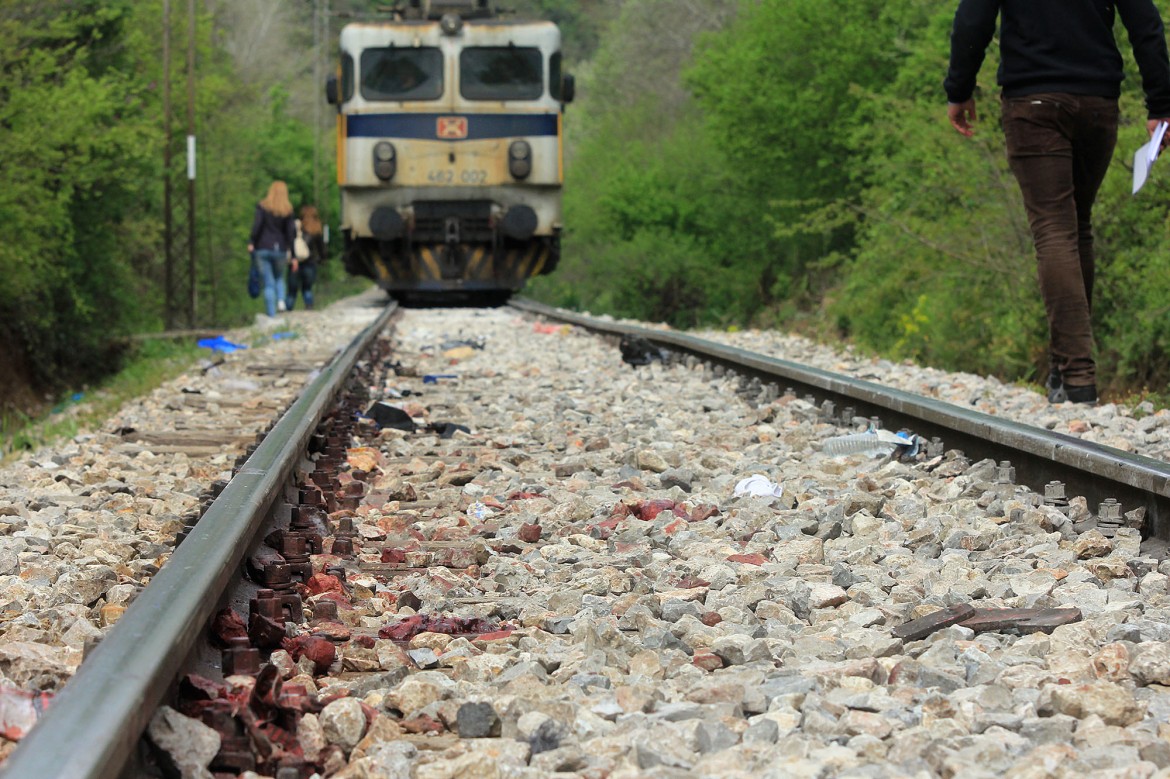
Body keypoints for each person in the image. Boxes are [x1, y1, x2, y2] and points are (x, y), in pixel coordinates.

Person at [944, 0, 1170, 405]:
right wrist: (1160, 103)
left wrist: (959, 89)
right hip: (1098, 102)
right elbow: (1146, 21)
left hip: (1032, 101)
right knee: (1076, 227)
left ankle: (1077, 375)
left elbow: (972, 20)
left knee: (1054, 230)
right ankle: (1064, 371)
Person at [248, 181, 296, 319]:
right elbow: (290, 234)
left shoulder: (262, 207)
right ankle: (281, 301)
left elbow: (257, 226)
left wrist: (251, 241)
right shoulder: (288, 210)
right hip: (280, 249)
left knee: (268, 282)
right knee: (279, 277)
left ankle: (271, 314)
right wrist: (293, 256)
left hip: (262, 248)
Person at [287, 205, 327, 311]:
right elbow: (321, 249)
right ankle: (309, 306)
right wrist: (322, 260)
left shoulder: (297, 227)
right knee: (307, 288)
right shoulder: (316, 230)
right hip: (310, 262)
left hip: (295, 262)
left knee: (292, 290)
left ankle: (288, 308)